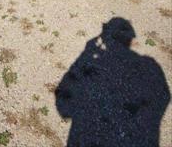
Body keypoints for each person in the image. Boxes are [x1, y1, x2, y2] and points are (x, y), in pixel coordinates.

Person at [55, 18, 170, 147]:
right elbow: (163, 96)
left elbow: (64, 106)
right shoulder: (150, 66)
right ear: (130, 39)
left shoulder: (94, 63)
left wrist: (84, 57)